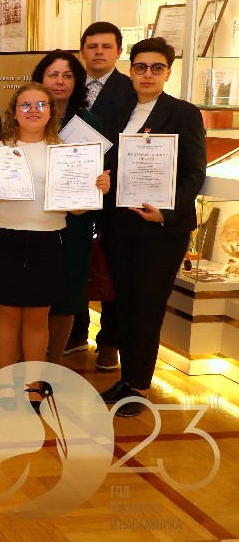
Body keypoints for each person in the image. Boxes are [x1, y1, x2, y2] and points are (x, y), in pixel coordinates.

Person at [0, 84, 110, 410]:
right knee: (7, 315)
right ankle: (5, 383)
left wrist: (95, 190)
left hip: (48, 240)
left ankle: (33, 384)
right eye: (26, 105)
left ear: (51, 112)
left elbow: (76, 210)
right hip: (6, 238)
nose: (33, 110)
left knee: (37, 317)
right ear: (14, 112)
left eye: (41, 105)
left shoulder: (66, 153)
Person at [98, 37, 206, 417]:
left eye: (156, 68)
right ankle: (127, 378)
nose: (148, 74)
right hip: (120, 225)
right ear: (130, 71)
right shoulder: (119, 111)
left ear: (168, 73)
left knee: (147, 307)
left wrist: (166, 213)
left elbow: (193, 173)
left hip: (160, 231)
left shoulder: (183, 113)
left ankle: (140, 386)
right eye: (141, 67)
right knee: (125, 305)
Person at [30, 50, 105, 365]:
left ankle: (56, 359)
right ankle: (30, 355)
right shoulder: (27, 116)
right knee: (31, 291)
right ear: (41, 78)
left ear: (77, 82)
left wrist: (101, 182)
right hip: (33, 218)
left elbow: (99, 169)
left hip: (75, 222)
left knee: (68, 290)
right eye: (53, 74)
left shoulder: (89, 123)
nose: (59, 82)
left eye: (67, 75)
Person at [71, 21, 136, 365]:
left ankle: (110, 340)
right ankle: (75, 330)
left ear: (118, 51)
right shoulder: (68, 83)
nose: (98, 52)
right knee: (76, 260)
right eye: (92, 46)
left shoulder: (130, 89)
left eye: (106, 46)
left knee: (113, 264)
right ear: (82, 50)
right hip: (72, 187)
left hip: (114, 188)